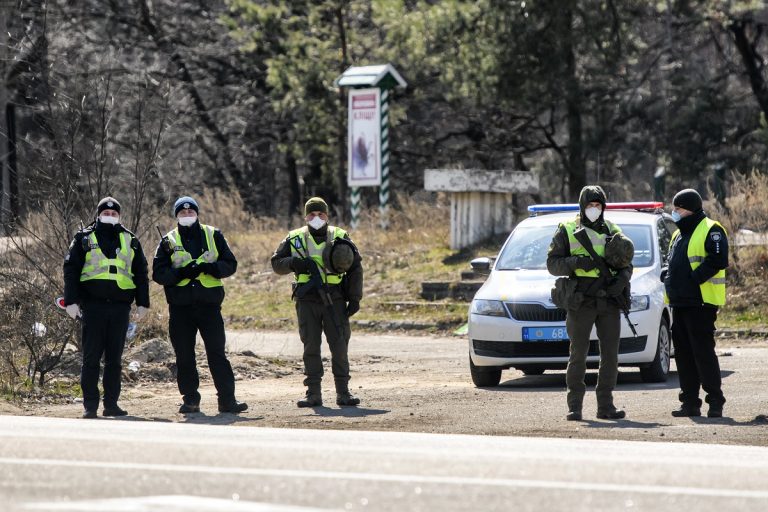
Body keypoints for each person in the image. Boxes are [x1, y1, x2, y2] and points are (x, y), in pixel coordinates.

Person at [152, 196, 247, 414]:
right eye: (182, 213)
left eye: (190, 212)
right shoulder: (167, 240)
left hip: (209, 307)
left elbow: (230, 264)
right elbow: (158, 274)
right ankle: (190, 400)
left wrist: (210, 268)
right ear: (176, 216)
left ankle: (227, 401)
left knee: (217, 354)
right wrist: (180, 273)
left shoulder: (213, 234)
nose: (187, 215)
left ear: (197, 213)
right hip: (180, 308)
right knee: (184, 355)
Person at [547, 185, 633, 421]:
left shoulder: (613, 230)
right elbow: (552, 264)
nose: (594, 209)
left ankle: (606, 406)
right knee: (578, 354)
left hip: (608, 300)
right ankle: (574, 406)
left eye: (598, 205)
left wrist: (622, 280)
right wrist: (575, 263)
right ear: (582, 206)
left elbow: (627, 263)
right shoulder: (567, 230)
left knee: (610, 356)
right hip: (581, 300)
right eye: (590, 205)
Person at [271, 197, 364, 408]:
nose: (316, 218)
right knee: (311, 346)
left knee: (339, 346)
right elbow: (276, 264)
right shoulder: (294, 238)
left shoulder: (340, 236)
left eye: (320, 214)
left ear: (327, 216)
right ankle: (313, 393)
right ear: (305, 217)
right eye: (312, 214)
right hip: (307, 300)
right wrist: (294, 263)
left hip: (335, 298)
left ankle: (343, 393)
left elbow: (355, 268)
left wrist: (355, 298)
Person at [63, 196, 150, 418]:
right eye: (106, 213)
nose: (109, 216)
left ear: (119, 216)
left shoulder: (131, 240)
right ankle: (90, 406)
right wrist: (71, 301)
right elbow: (71, 269)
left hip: (120, 309)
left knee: (114, 360)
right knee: (91, 358)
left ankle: (111, 404)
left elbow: (141, 273)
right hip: (93, 308)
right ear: (98, 214)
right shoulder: (83, 238)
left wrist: (143, 303)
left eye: (113, 214)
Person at [663, 188, 728, 418]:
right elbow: (674, 262)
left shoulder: (712, 229)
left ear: (690, 208)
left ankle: (715, 402)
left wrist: (693, 279)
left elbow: (718, 260)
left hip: (700, 303)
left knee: (703, 354)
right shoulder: (678, 234)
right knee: (684, 356)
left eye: (678, 208)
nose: (675, 212)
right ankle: (689, 402)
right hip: (679, 304)